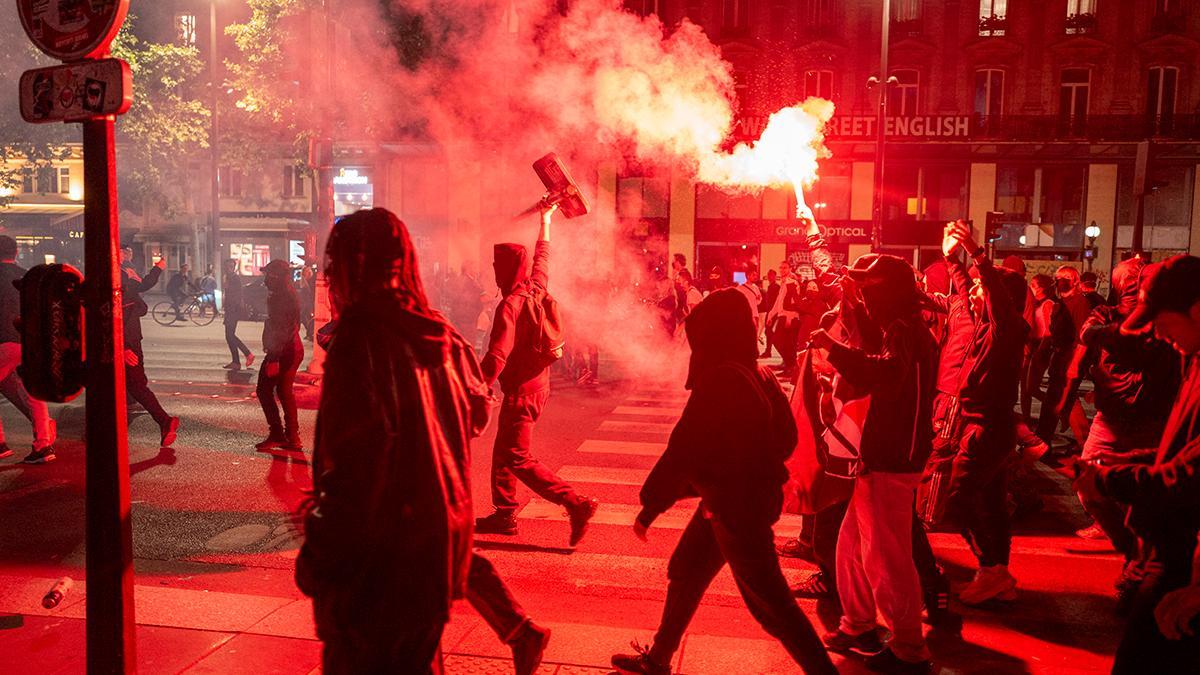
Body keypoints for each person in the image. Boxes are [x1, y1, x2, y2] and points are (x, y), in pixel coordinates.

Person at [297, 208, 550, 675]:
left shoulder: (360, 339)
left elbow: (351, 468)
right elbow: (476, 415)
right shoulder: (442, 335)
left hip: (376, 565)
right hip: (436, 555)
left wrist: (317, 554)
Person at [611, 289, 837, 675]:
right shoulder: (757, 371)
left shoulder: (720, 379)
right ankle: (659, 658)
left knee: (772, 604)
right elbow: (786, 437)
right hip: (730, 499)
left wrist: (651, 505)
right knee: (687, 569)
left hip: (737, 508)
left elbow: (684, 449)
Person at [809, 249, 937, 672]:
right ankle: (858, 623)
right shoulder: (903, 326)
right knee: (851, 548)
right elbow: (874, 348)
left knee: (886, 556)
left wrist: (833, 349)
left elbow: (886, 374)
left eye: (868, 288)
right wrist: (848, 295)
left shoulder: (904, 329)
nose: (864, 297)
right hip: (882, 456)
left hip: (893, 459)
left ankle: (908, 648)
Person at [1074, 254, 1200, 674]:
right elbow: (1180, 454)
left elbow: (1190, 476)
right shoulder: (1192, 356)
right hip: (1168, 546)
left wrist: (1111, 477)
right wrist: (1121, 464)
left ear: (1195, 310)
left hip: (1187, 556)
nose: (1160, 334)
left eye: (1162, 320)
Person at [474, 205, 598, 546]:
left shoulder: (510, 305)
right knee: (504, 451)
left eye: (496, 267)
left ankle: (575, 503)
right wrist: (546, 220)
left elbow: (498, 355)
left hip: (520, 392)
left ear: (503, 270)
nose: (494, 272)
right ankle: (504, 514)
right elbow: (544, 254)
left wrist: (476, 387)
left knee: (517, 457)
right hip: (539, 386)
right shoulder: (536, 286)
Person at [936, 221, 1030, 606]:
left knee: (958, 501)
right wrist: (950, 258)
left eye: (981, 288)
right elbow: (965, 288)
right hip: (982, 426)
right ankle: (996, 574)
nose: (973, 291)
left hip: (987, 429)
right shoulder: (985, 326)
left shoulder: (1007, 329)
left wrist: (975, 252)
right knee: (990, 504)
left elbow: (990, 289)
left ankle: (992, 570)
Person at [0, 235, 57, 463]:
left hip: (4, 340)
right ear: (15, 253)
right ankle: (44, 445)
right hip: (30, 342)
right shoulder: (28, 276)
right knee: (35, 394)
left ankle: (1, 443)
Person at [120, 247, 180, 447]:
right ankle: (162, 420)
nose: (127, 254)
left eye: (128, 251)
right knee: (132, 384)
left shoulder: (124, 272)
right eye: (123, 251)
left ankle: (163, 420)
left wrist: (124, 347)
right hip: (125, 340)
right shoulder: (116, 275)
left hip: (127, 341)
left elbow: (138, 292)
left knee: (135, 384)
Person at [255, 260, 303, 452]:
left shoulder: (281, 297)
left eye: (268, 275)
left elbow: (283, 329)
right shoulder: (285, 293)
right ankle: (291, 436)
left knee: (264, 389)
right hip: (290, 348)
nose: (265, 279)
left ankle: (279, 434)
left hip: (284, 350)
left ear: (276, 276)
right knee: (284, 391)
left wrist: (273, 358)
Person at [768, 261, 803, 378]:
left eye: (785, 268)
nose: (782, 270)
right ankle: (788, 365)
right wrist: (770, 315)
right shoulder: (784, 283)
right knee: (783, 342)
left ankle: (791, 366)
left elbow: (794, 303)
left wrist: (790, 316)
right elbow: (779, 301)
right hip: (782, 315)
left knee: (785, 342)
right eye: (781, 268)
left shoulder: (792, 282)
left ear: (790, 269)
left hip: (789, 317)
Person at [221, 259, 255, 371]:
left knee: (230, 335)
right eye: (227, 266)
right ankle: (236, 361)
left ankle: (247, 354)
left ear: (234, 267)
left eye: (231, 266)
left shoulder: (235, 278)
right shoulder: (229, 278)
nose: (228, 268)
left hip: (233, 310)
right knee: (229, 336)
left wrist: (230, 308)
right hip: (229, 310)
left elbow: (237, 295)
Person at [760, 268, 780, 358]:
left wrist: (772, 314)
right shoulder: (771, 286)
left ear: (775, 276)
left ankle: (768, 351)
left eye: (771, 275)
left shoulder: (775, 287)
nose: (770, 277)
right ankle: (768, 351)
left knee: (769, 332)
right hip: (770, 312)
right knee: (768, 332)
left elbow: (776, 301)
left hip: (773, 313)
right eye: (769, 275)